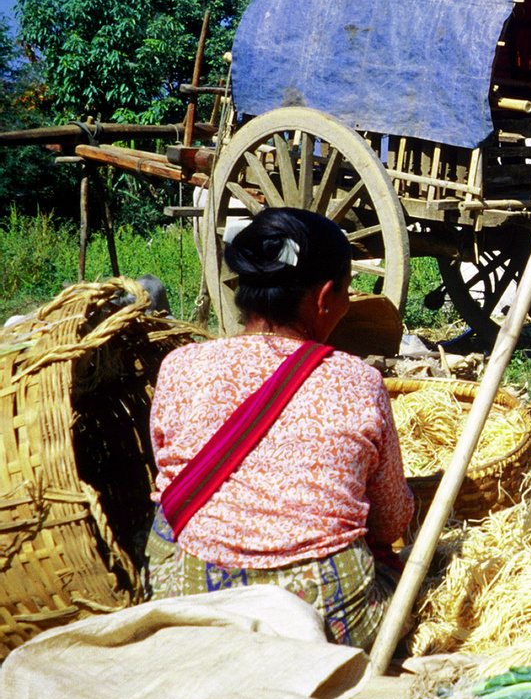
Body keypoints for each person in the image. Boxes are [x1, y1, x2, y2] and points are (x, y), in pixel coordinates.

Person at [146, 208, 412, 648]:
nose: (346, 305)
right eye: (347, 293)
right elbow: (390, 525)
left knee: (164, 509)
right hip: (330, 615)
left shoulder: (180, 367)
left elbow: (169, 478)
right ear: (325, 297)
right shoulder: (359, 381)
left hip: (196, 604)